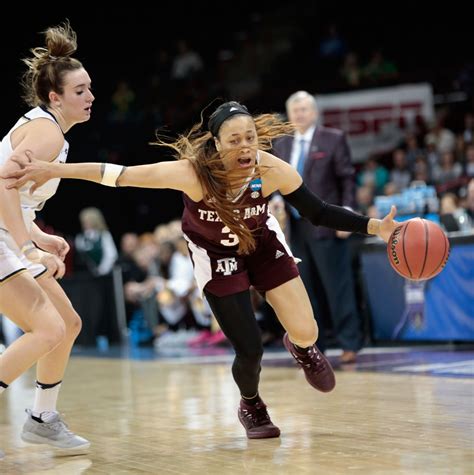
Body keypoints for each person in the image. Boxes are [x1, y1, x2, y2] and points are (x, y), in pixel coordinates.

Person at [5, 101, 398, 440]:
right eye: (235, 140)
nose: (246, 147)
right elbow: (119, 175)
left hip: (261, 244)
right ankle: (251, 405)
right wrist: (54, 170)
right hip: (214, 252)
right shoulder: (192, 172)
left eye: (250, 138)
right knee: (250, 349)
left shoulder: (272, 169)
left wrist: (373, 226)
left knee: (307, 329)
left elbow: (318, 212)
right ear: (218, 144)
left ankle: (302, 346)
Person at [0, 21, 92, 457]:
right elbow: (2, 183)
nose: (90, 97)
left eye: (90, 88)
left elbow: (14, 196)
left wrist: (35, 232)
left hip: (6, 230)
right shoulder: (48, 131)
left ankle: (42, 418)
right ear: (55, 97)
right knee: (48, 327)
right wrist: (27, 245)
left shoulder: (50, 131)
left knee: (67, 324)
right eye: (79, 91)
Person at [273, 90, 365, 364]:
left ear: (314, 112)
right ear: (289, 115)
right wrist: (276, 199)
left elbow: (347, 179)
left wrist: (347, 214)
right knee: (305, 290)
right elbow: (277, 181)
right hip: (295, 229)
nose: (300, 115)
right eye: (295, 111)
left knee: (338, 287)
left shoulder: (333, 138)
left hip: (327, 225)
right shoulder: (282, 143)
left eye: (304, 110)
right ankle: (314, 346)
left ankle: (350, 343)